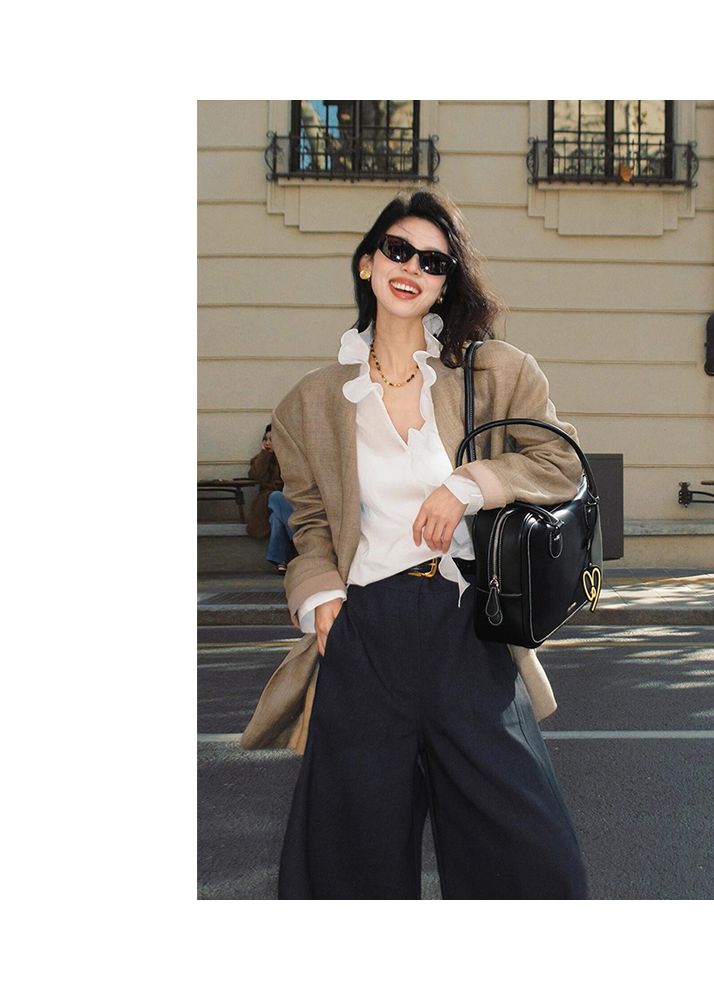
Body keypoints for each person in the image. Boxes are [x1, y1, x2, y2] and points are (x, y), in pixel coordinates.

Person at [242, 190, 589, 899]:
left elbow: (563, 465)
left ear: (446, 283)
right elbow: (308, 521)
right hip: (364, 631)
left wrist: (471, 484)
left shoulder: (496, 373)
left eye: (433, 261)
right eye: (398, 250)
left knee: (524, 850)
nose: (412, 268)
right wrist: (319, 596)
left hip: (468, 628)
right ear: (367, 263)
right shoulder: (311, 402)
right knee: (349, 856)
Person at [246, 424, 294, 572]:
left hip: (289, 502)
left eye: (272, 439)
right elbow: (256, 476)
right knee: (275, 496)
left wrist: (280, 453)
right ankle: (301, 541)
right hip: (265, 504)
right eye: (265, 439)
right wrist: (265, 455)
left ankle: (280, 561)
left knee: (276, 519)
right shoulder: (259, 459)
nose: (268, 443)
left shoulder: (290, 458)